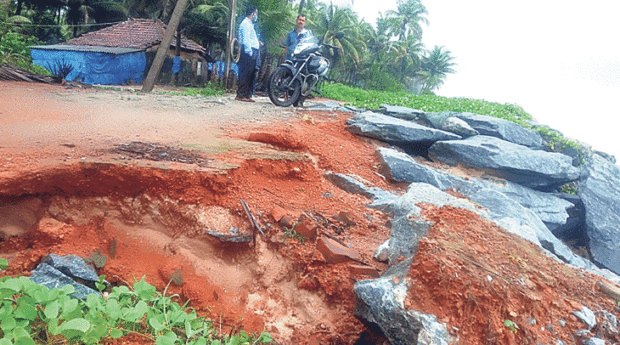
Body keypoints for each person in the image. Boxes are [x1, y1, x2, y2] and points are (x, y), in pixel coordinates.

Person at [236, 6, 260, 102]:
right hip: (248, 52)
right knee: (245, 73)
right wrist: (249, 52)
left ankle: (247, 95)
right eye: (256, 14)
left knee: (251, 74)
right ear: (252, 14)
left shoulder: (250, 25)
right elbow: (245, 39)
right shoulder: (245, 24)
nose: (256, 16)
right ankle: (241, 95)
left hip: (253, 51)